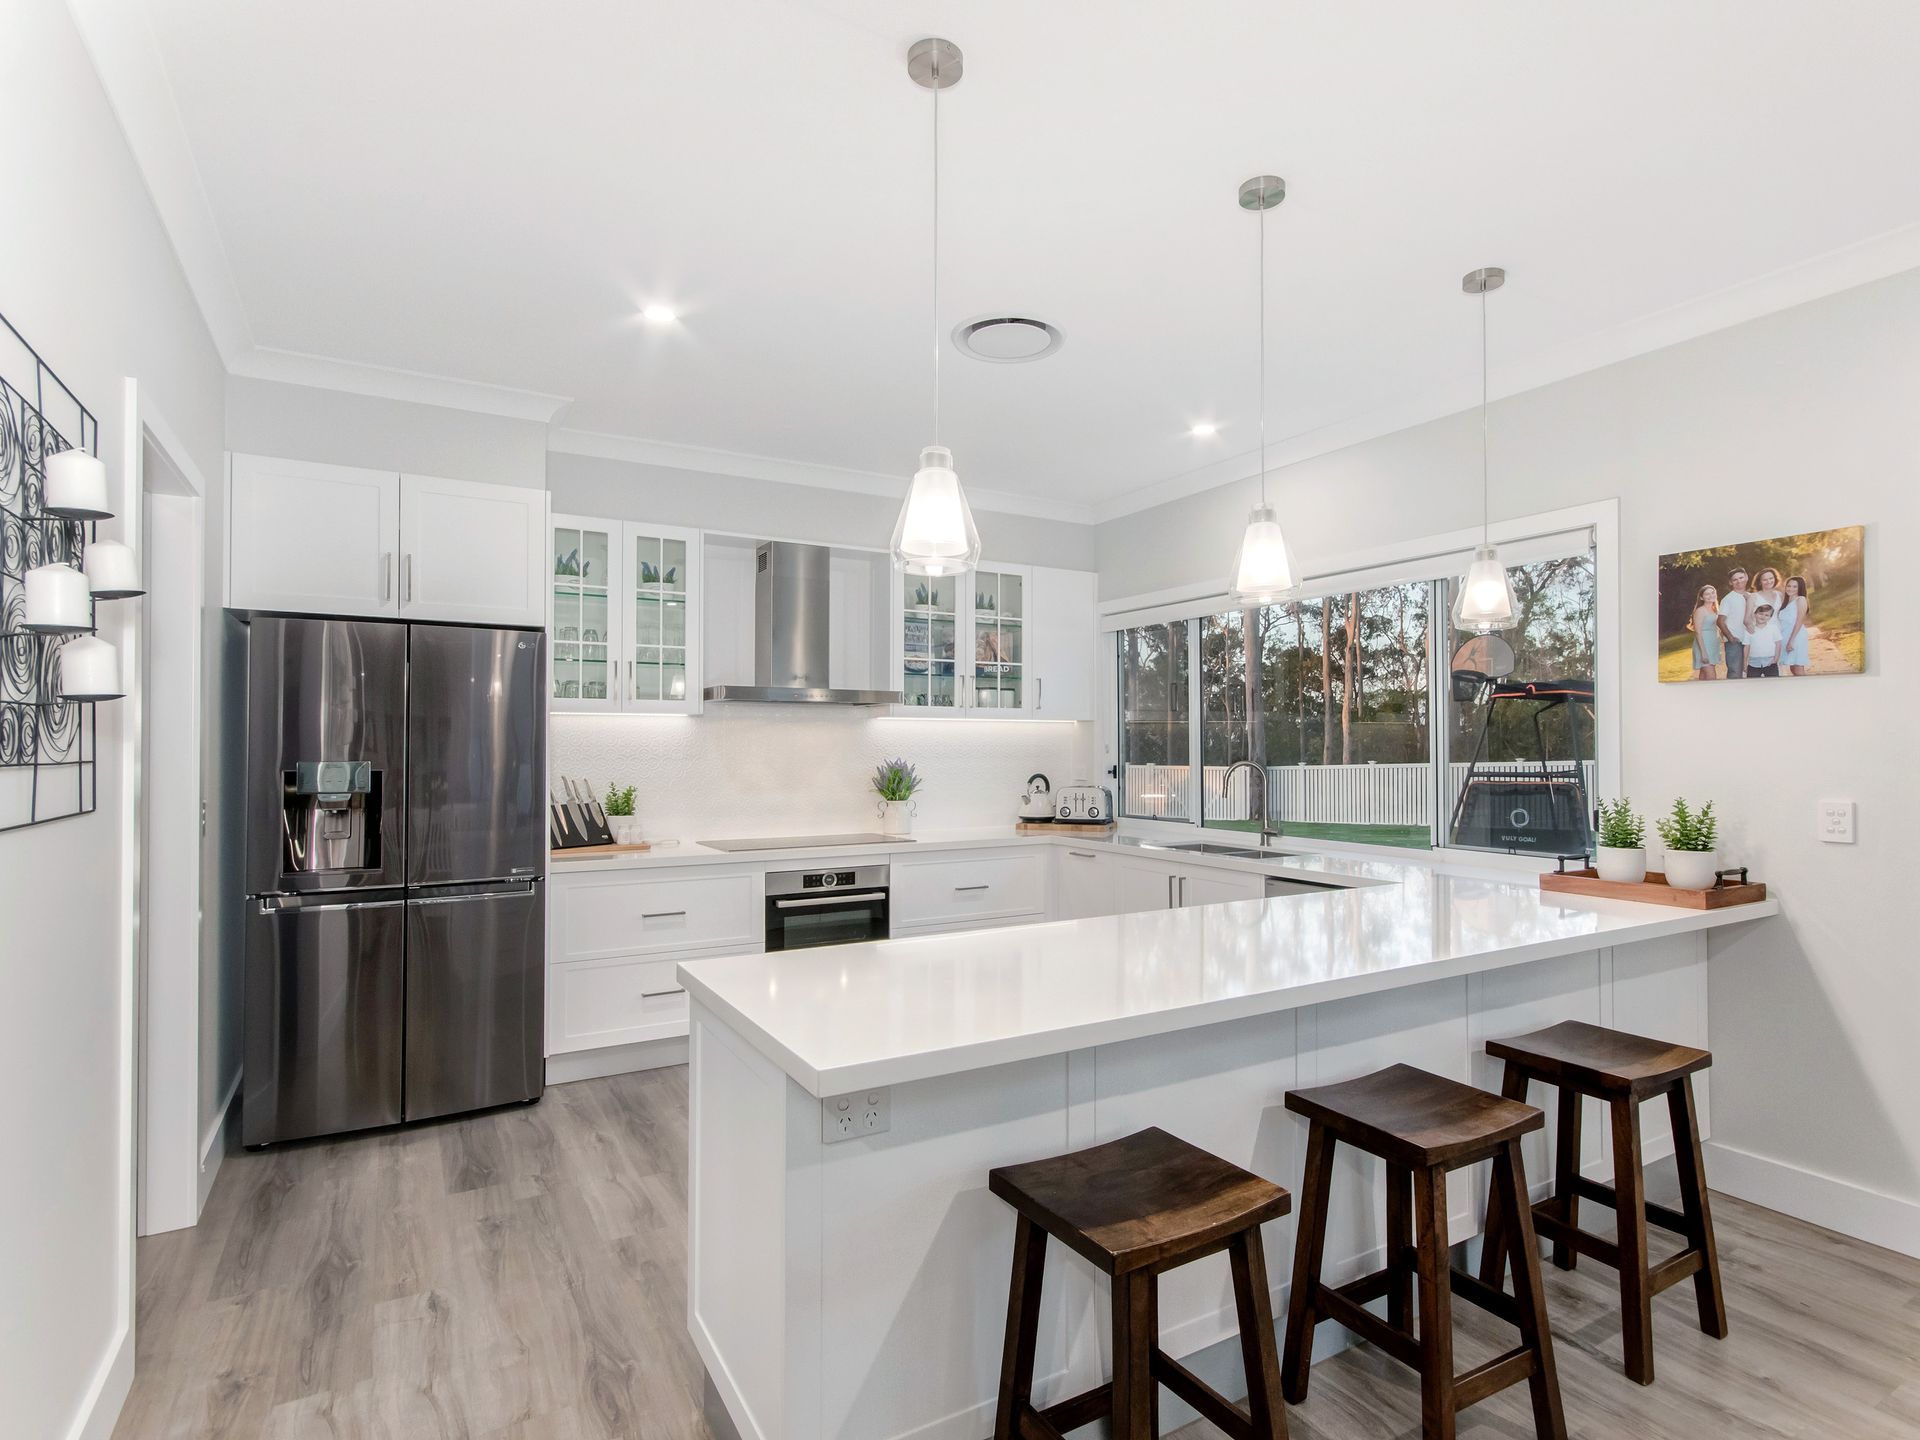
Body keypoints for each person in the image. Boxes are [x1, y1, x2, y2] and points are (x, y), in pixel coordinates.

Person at [1716, 568, 1751, 677]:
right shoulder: (1728, 599)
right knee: (1735, 673)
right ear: (1731, 582)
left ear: (1746, 577)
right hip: (1736, 642)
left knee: (1751, 672)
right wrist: (1730, 638)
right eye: (1735, 580)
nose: (1739, 581)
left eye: (1741, 577)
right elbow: (1720, 621)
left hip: (1750, 640)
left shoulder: (1751, 596)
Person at [1688, 583, 1723, 679]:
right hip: (1704, 646)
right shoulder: (1700, 610)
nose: (1711, 595)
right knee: (1711, 676)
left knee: (1704, 675)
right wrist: (1703, 652)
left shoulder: (1714, 609)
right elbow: (1698, 632)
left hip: (1712, 645)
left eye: (1712, 593)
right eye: (1707, 594)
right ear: (1702, 598)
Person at [1779, 575, 1812, 675]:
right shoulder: (1786, 601)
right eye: (1788, 586)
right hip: (1786, 636)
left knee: (1798, 668)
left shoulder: (1800, 599)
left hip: (1796, 637)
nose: (1790, 588)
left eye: (1794, 587)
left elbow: (1799, 621)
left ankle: (1805, 689)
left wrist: (1791, 641)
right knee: (1793, 668)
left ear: (1800, 588)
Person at [1745, 602, 1782, 677]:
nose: (1763, 617)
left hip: (1770, 662)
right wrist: (1744, 663)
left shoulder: (1773, 628)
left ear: (1770, 617)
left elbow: (1778, 644)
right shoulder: (1749, 630)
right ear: (1755, 614)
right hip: (1753, 663)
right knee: (1753, 685)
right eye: (1761, 614)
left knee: (1773, 684)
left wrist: (1775, 659)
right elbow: (1746, 647)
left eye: (1766, 615)